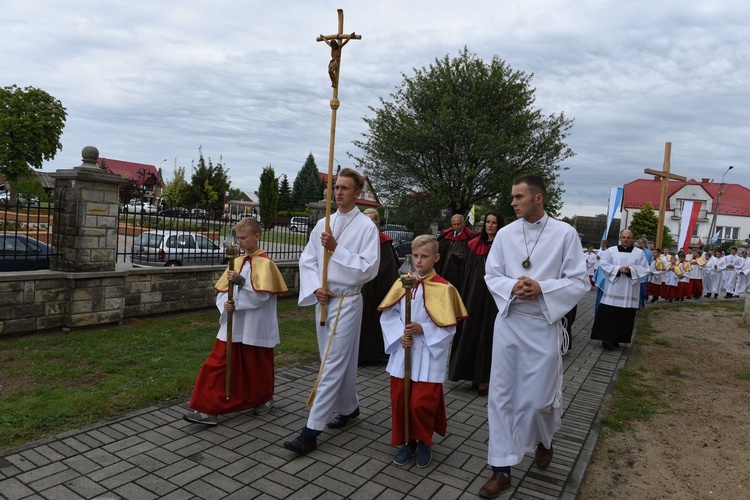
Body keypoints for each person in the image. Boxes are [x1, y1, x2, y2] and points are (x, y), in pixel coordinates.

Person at [479, 175, 590, 497]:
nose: (512, 202)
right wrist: (512, 286)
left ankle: (544, 439)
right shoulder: (504, 234)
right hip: (511, 322)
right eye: (512, 197)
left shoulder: (564, 234)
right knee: (502, 396)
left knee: (539, 399)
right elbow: (492, 274)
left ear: (538, 198)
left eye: (518, 196)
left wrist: (543, 287)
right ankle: (501, 468)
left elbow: (579, 280)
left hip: (543, 325)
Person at [283, 167, 380, 455]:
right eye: (336, 187)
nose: (338, 192)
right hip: (325, 300)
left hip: (348, 300)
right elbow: (308, 260)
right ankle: (349, 407)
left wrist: (338, 249)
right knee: (341, 359)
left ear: (358, 193)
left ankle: (311, 431)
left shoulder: (366, 227)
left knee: (331, 362)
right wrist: (315, 287)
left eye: (345, 188)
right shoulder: (324, 223)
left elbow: (369, 269)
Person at [184, 217, 288, 426]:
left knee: (256, 366)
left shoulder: (266, 264)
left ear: (256, 237)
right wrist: (226, 305)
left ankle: (263, 398)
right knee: (217, 363)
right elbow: (222, 292)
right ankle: (207, 407)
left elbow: (262, 296)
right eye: (238, 237)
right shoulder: (236, 262)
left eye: (244, 237)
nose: (239, 241)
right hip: (234, 323)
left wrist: (240, 287)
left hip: (255, 325)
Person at [378, 235, 467, 468]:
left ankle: (424, 442)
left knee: (421, 403)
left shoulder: (445, 288)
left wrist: (423, 330)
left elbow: (449, 328)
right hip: (404, 351)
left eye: (424, 256)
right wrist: (401, 334)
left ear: (436, 258)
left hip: (428, 354)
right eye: (415, 256)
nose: (418, 261)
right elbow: (389, 314)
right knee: (401, 400)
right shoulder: (402, 283)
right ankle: (408, 442)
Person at [448, 212, 504, 395]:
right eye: (488, 222)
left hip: (495, 299)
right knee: (471, 332)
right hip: (475, 297)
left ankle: (485, 379)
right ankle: (472, 375)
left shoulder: (505, 246)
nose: (490, 225)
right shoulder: (474, 246)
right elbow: (467, 273)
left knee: (489, 335)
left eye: (494, 223)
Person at [590, 229, 649, 350]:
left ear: (632, 239)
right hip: (613, 289)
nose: (626, 240)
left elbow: (644, 269)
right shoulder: (611, 251)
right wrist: (618, 269)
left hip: (630, 289)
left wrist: (630, 270)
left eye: (628, 238)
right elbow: (604, 264)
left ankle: (618, 339)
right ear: (620, 238)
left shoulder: (639, 253)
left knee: (625, 317)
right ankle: (607, 339)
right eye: (623, 237)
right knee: (609, 314)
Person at [358, 208, 400, 365]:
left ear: (377, 223)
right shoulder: (358, 240)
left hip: (378, 288)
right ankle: (359, 353)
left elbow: (390, 267)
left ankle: (376, 353)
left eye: (370, 221)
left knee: (376, 320)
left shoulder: (384, 241)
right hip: (361, 286)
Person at [435, 213, 475, 293]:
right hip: (446, 270)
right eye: (454, 224)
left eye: (459, 224)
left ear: (463, 223)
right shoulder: (445, 236)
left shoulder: (470, 238)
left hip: (460, 272)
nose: (457, 226)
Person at [636, 238, 653, 308]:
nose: (640, 244)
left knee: (642, 290)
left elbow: (648, 263)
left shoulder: (648, 252)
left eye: (642, 242)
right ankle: (636, 304)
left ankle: (642, 302)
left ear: (645, 243)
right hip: (636, 273)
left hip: (644, 274)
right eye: (639, 242)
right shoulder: (635, 251)